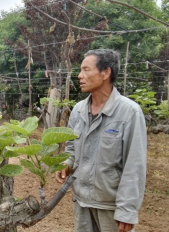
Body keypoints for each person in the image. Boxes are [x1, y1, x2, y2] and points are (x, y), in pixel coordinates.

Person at [55, 49, 147, 232]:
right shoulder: (78, 110)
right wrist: (67, 162)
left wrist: (127, 211)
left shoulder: (129, 112)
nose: (80, 76)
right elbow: (71, 148)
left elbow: (134, 165)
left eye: (86, 70)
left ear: (106, 72)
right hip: (81, 203)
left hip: (110, 207)